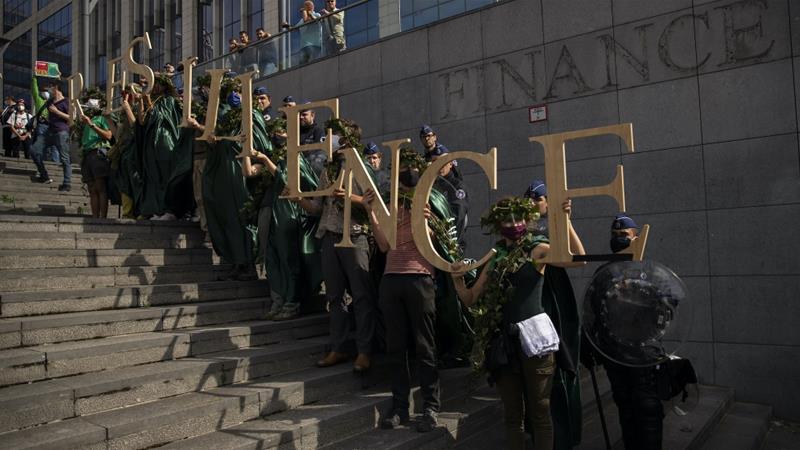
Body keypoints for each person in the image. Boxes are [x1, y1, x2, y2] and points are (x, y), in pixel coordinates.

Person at [450, 196, 586, 450]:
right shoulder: (495, 258)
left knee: (541, 412)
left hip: (536, 341)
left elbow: (579, 259)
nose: (514, 223)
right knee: (513, 416)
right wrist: (457, 279)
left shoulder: (537, 249)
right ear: (497, 224)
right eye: (507, 219)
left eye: (518, 218)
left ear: (527, 220)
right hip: (504, 345)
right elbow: (470, 299)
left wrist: (566, 221)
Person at [361, 149, 447, 433]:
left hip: (420, 278)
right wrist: (372, 213)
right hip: (392, 278)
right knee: (395, 347)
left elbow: (439, 241)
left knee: (424, 346)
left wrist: (428, 221)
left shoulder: (430, 202)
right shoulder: (391, 205)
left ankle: (430, 407)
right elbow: (384, 246)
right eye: (404, 169)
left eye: (412, 167)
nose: (408, 173)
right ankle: (400, 407)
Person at [294, 119, 377, 373]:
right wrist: (298, 198)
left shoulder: (362, 169)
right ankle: (338, 347)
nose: (332, 141)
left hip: (355, 236)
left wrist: (350, 197)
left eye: (338, 137)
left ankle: (365, 351)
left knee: (362, 296)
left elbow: (375, 204)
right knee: (335, 296)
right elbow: (318, 208)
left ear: (349, 141)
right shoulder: (328, 170)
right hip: (330, 236)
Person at [582, 214, 665, 450]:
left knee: (648, 410)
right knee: (626, 407)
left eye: (624, 236)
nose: (618, 239)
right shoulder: (604, 273)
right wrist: (588, 344)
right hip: (615, 355)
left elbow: (668, 305)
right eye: (615, 236)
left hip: (644, 355)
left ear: (636, 238)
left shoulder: (649, 272)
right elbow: (592, 313)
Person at [523, 179, 584, 450]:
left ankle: (564, 436)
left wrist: (566, 220)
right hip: (532, 302)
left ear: (547, 202)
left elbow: (579, 258)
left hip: (555, 300)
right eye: (531, 200)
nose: (535, 204)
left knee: (561, 370)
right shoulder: (520, 232)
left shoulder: (555, 225)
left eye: (539, 199)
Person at [421, 126, 469, 247]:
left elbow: (458, 216)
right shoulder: (431, 185)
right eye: (434, 162)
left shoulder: (457, 186)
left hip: (451, 243)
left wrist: (451, 244)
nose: (438, 166)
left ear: (451, 164)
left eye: (442, 162)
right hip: (433, 242)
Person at [78, 98, 113, 218]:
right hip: (87, 154)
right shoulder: (87, 121)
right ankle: (94, 217)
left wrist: (91, 125)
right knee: (92, 189)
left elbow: (109, 135)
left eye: (89, 108)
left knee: (100, 187)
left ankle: (103, 217)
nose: (87, 110)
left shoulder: (102, 119)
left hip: (98, 152)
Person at [39, 81, 72, 192]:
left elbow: (71, 118)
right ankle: (43, 174)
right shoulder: (50, 102)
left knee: (64, 158)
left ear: (56, 88)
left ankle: (67, 183)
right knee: (35, 150)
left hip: (62, 132)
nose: (49, 90)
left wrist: (57, 112)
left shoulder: (66, 101)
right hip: (50, 132)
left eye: (50, 87)